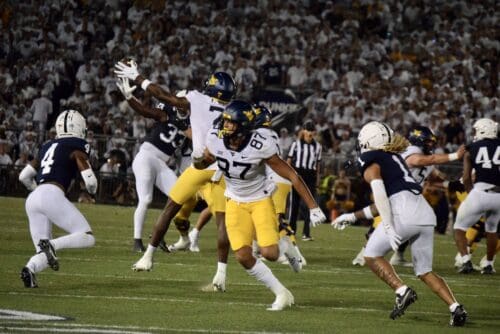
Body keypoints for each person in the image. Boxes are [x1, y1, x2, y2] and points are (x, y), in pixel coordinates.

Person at [114, 60, 235, 291]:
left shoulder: (196, 100)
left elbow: (165, 98)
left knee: (170, 206)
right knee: (221, 221)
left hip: (199, 167)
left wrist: (139, 79)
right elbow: (169, 116)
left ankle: (148, 255)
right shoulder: (230, 111)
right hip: (220, 167)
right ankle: (220, 274)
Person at [195, 100, 326, 310]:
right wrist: (198, 161)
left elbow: (291, 174)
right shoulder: (215, 137)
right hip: (234, 201)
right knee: (243, 256)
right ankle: (282, 293)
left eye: (230, 123)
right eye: (225, 121)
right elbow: (205, 162)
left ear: (243, 127)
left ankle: (287, 246)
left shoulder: (260, 144)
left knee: (270, 254)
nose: (225, 126)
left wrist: (313, 207)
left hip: (259, 200)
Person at [334, 121, 467, 326]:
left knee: (371, 255)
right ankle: (456, 307)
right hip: (423, 213)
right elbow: (386, 200)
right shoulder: (395, 157)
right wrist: (352, 216)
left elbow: (379, 192)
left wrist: (387, 225)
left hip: (403, 213)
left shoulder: (370, 158)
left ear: (369, 140)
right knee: (424, 271)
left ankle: (401, 290)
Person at [336, 126, 465, 266]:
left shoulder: (428, 159)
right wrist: (455, 156)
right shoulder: (413, 152)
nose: (431, 145)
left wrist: (452, 183)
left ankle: (398, 256)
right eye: (428, 142)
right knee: (383, 222)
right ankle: (363, 255)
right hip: (393, 192)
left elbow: (435, 176)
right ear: (419, 140)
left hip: (409, 196)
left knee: (410, 224)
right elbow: (419, 161)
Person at [18, 110, 97, 288]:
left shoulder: (47, 145)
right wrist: (92, 189)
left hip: (33, 198)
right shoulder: (78, 145)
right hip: (52, 193)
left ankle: (30, 269)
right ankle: (52, 245)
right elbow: (90, 181)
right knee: (87, 236)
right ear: (79, 127)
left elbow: (23, 176)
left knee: (42, 251)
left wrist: (38, 191)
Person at [115, 77, 190, 252]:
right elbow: (144, 111)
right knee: (146, 199)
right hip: (146, 157)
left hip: (162, 164)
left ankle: (159, 234)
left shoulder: (190, 124)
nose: (183, 106)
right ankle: (137, 241)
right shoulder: (167, 113)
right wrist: (129, 98)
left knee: (178, 197)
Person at [454, 118, 500, 275]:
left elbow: (466, 177)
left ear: (481, 130)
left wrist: (470, 194)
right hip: (498, 196)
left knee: (459, 228)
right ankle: (488, 264)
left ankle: (466, 261)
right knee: (492, 230)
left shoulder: (471, 148)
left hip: (480, 192)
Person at [287, 120, 322, 241]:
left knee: (309, 205)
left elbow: (318, 165)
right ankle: (291, 231)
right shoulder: (296, 144)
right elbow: (289, 161)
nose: (310, 132)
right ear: (303, 131)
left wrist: (317, 179)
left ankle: (306, 233)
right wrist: (289, 175)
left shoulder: (318, 147)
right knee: (294, 204)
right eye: (308, 130)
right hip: (298, 174)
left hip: (310, 176)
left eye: (312, 130)